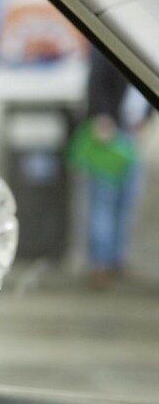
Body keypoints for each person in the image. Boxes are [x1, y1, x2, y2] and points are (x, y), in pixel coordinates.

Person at [71, 47, 152, 289]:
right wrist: (101, 116)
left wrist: (145, 122)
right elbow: (97, 82)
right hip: (108, 132)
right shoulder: (108, 49)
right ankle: (100, 264)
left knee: (126, 201)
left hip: (132, 134)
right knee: (103, 200)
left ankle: (116, 259)